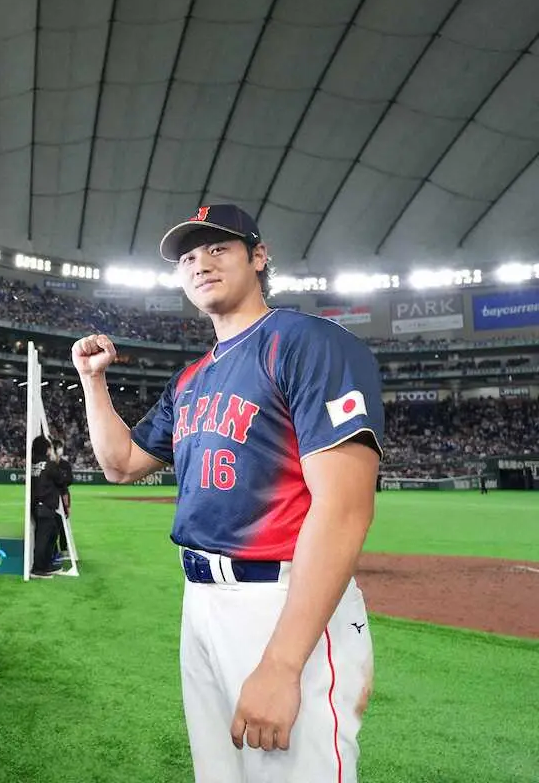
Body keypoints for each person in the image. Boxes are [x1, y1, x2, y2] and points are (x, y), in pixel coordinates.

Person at [73, 204, 383, 782]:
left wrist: (283, 664)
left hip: (283, 602)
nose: (200, 264)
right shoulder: (190, 379)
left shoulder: (308, 341)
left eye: (219, 248)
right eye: (189, 256)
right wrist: (94, 381)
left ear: (259, 257)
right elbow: (120, 464)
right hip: (202, 601)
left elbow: (344, 510)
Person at [29, 435, 72, 578]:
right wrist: (57, 462)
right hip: (46, 505)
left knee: (52, 532)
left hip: (36, 505)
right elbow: (63, 480)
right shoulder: (50, 464)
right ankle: (39, 568)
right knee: (44, 537)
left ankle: (46, 564)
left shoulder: (33, 463)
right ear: (47, 449)